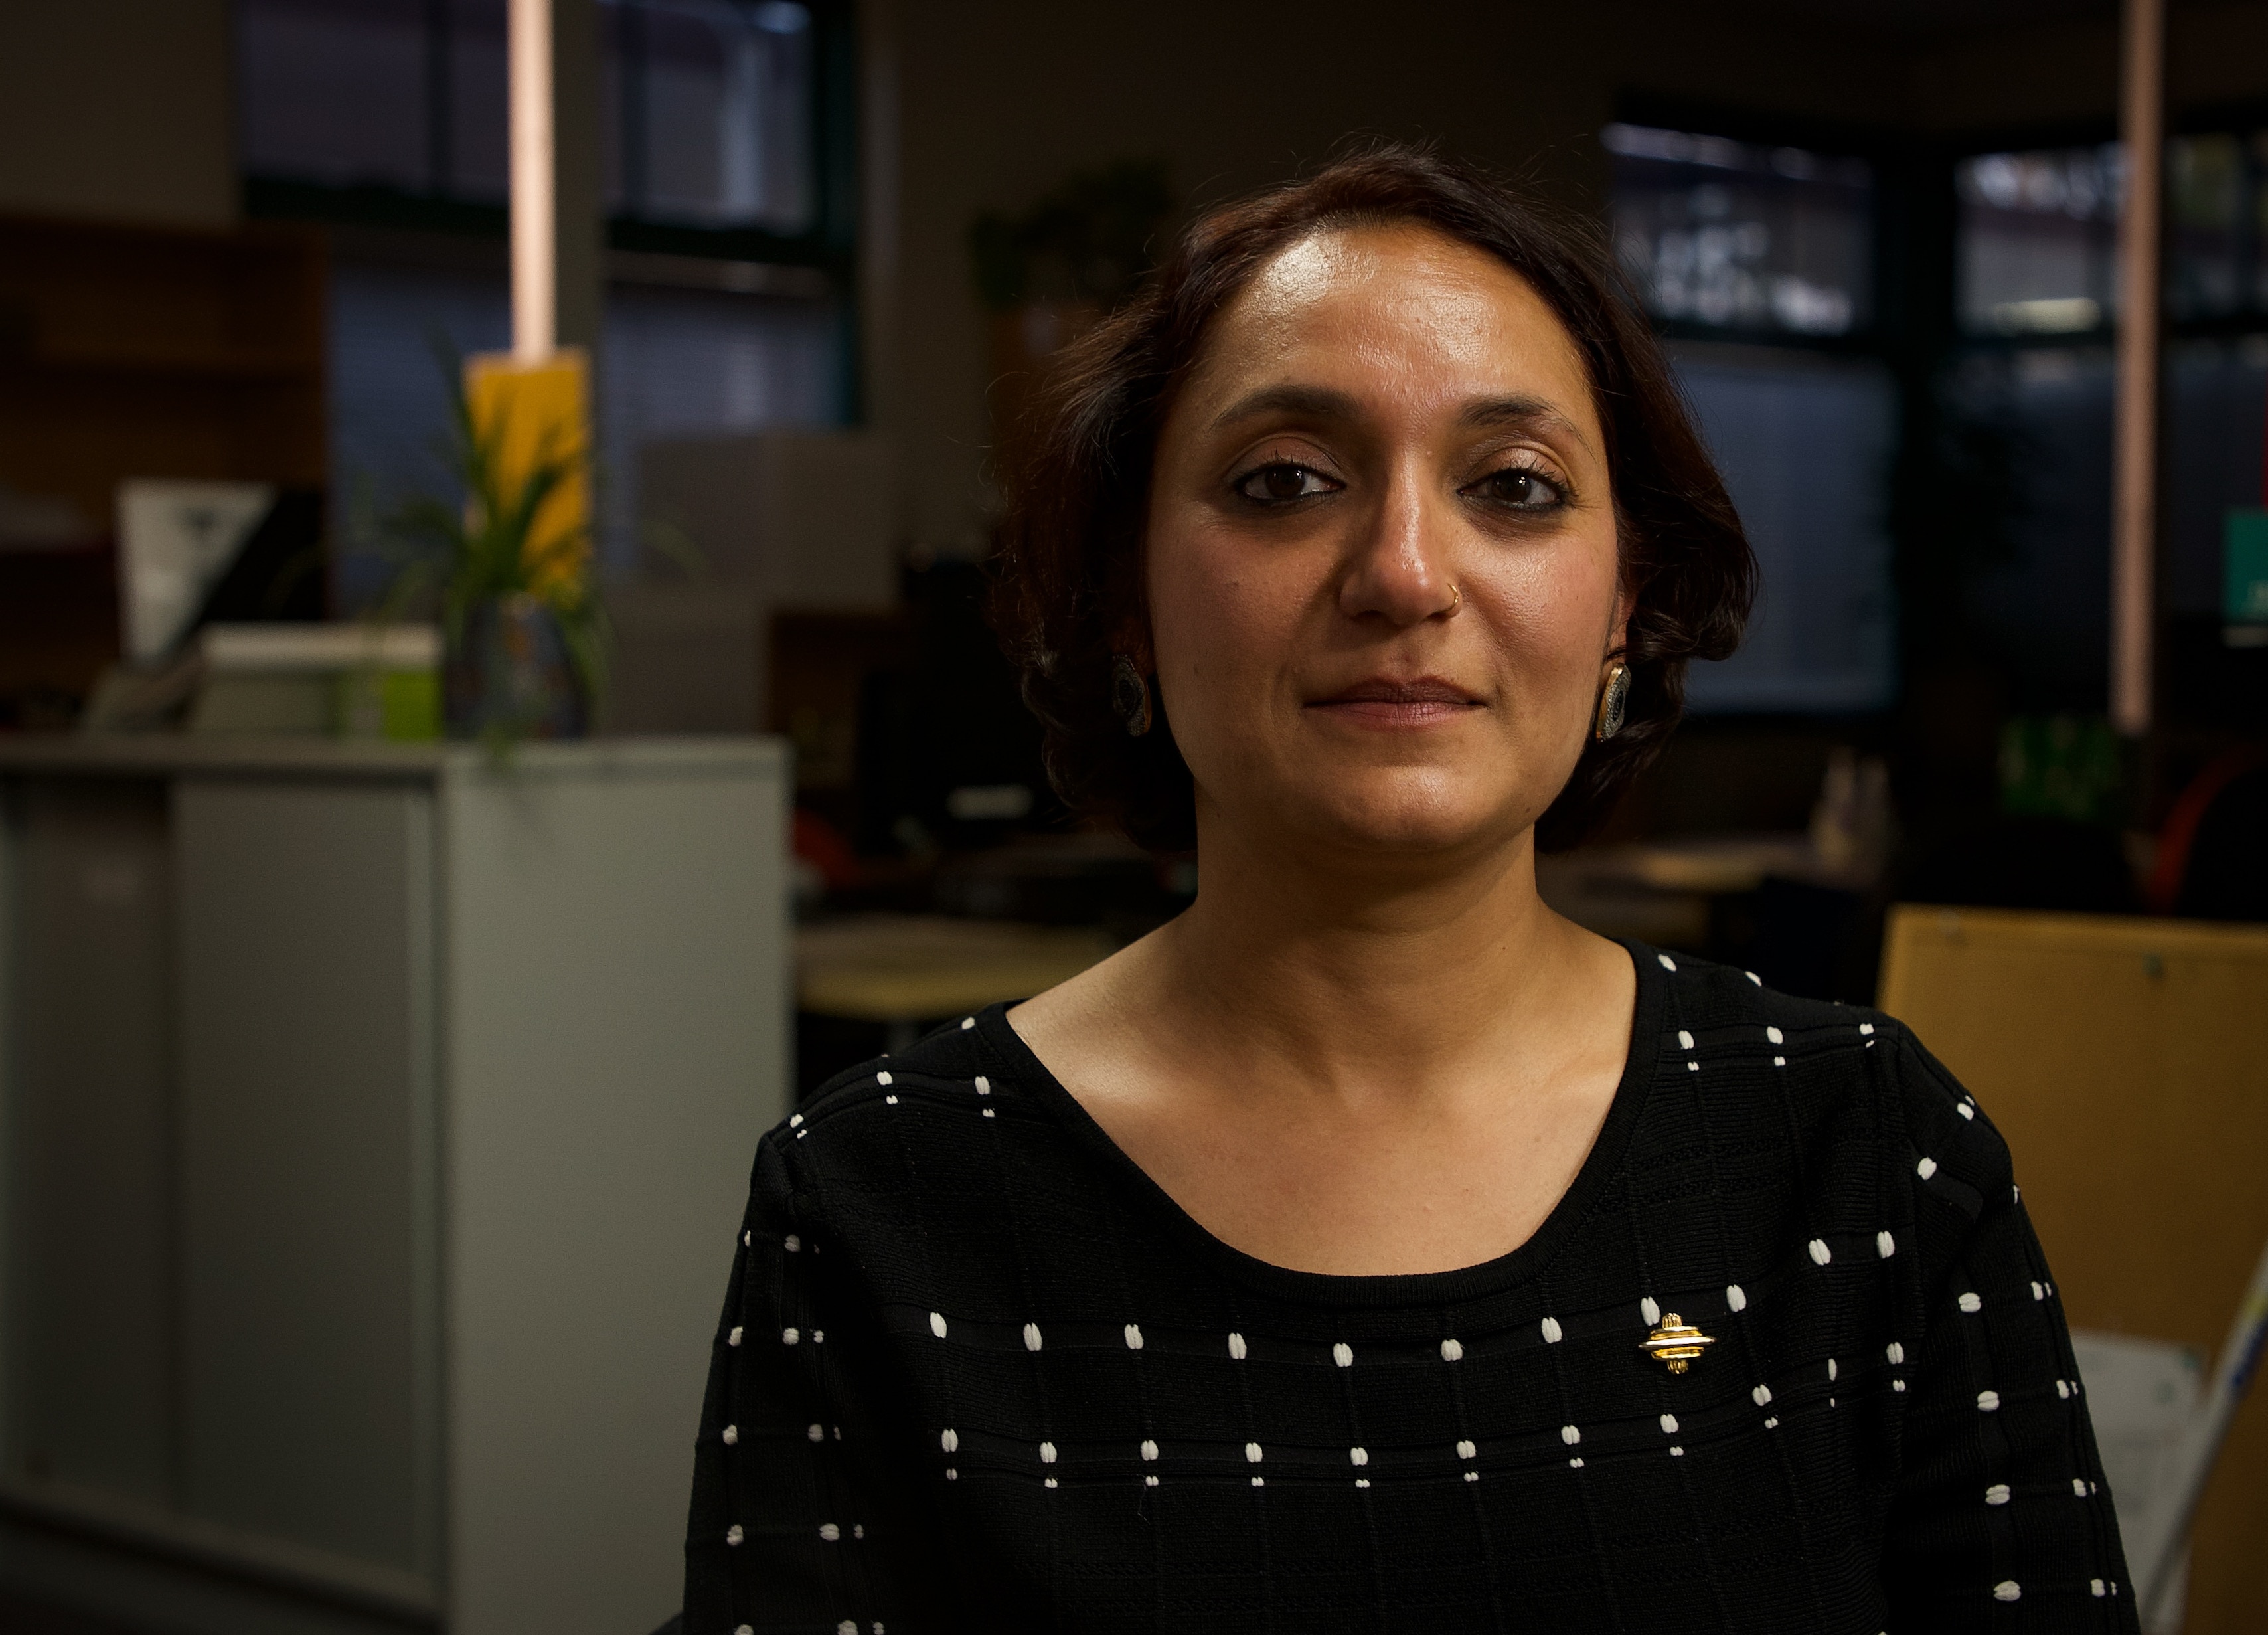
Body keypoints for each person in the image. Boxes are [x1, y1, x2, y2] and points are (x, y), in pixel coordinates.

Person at [679, 147, 2134, 1632]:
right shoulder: (878, 1202)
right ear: (1126, 594)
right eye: (1286, 481)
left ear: (1625, 599)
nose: (1405, 572)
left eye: (1513, 486)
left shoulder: (1866, 1158)